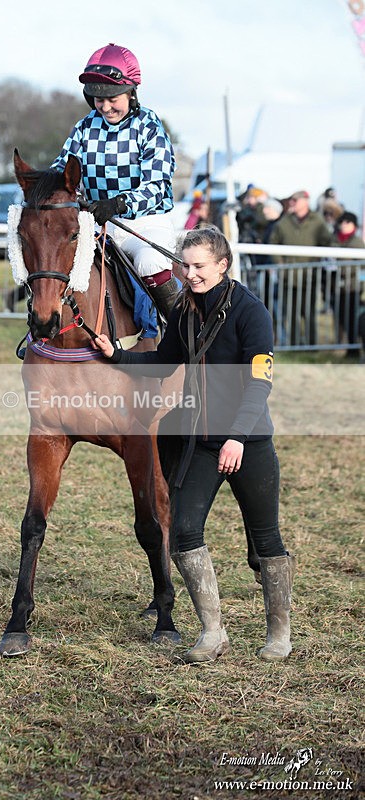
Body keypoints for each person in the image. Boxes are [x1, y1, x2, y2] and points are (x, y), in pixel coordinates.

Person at [93, 225, 294, 663]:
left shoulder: (250, 312)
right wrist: (118, 356)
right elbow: (163, 364)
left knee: (266, 540)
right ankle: (212, 633)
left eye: (199, 266)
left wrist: (237, 438)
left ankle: (279, 633)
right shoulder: (185, 313)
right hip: (199, 443)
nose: (190, 274)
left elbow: (260, 384)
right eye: (185, 265)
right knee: (184, 534)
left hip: (249, 441)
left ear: (222, 265)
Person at [51, 43, 179, 319]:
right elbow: (62, 169)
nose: (106, 107)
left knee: (149, 262)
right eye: (99, 100)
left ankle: (183, 331)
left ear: (131, 92)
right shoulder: (85, 126)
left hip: (143, 224)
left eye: (113, 98)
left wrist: (119, 203)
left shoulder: (149, 126)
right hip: (96, 222)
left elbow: (157, 187)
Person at [269, 189, 332, 345]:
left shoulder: (317, 221)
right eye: (291, 200)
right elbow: (273, 243)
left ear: (305, 201)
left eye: (295, 200)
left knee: (309, 311)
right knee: (291, 312)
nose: (292, 203)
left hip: (309, 276)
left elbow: (328, 242)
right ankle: (295, 343)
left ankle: (311, 344)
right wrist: (280, 263)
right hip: (288, 277)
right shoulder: (284, 222)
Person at [332, 211, 365, 354]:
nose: (344, 225)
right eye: (342, 222)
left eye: (347, 222)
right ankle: (351, 348)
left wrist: (342, 269)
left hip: (354, 287)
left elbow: (361, 265)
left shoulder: (357, 242)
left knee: (353, 319)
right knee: (343, 319)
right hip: (339, 287)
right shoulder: (336, 240)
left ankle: (354, 348)